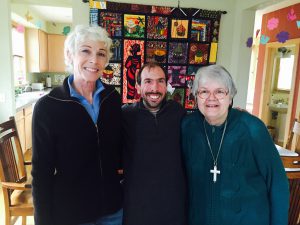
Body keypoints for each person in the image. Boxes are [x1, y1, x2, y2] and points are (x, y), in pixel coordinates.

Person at [31, 25, 123, 225]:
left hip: (112, 210)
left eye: (101, 53)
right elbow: (41, 172)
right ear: (70, 55)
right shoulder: (48, 107)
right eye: (85, 51)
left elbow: (118, 150)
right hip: (73, 213)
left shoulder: (112, 98)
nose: (94, 60)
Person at [181, 65, 289, 225]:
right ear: (196, 97)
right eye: (204, 91)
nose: (211, 98)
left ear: (230, 97)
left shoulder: (253, 128)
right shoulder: (188, 127)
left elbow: (278, 183)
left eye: (219, 91)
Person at [122, 62, 187, 225]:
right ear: (137, 86)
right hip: (137, 205)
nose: (155, 88)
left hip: (173, 205)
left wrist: (231, 113)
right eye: (148, 81)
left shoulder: (179, 112)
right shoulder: (125, 115)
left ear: (166, 85)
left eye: (160, 81)